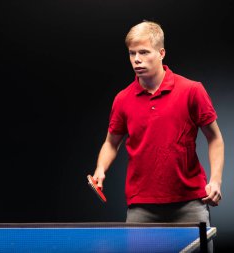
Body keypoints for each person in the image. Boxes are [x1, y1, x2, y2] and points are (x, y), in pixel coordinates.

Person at [91, 20, 224, 251]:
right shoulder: (123, 99)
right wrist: (100, 169)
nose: (137, 59)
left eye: (144, 52)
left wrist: (215, 180)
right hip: (141, 206)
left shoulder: (191, 90)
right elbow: (111, 142)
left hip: (190, 202)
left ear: (161, 53)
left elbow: (215, 138)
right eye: (132, 53)